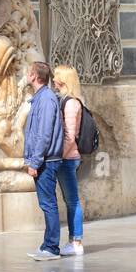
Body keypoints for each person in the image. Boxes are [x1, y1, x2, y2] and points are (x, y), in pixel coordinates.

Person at [24, 60, 64, 262]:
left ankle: (52, 247)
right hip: (43, 159)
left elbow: (44, 134)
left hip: (46, 160)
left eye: (28, 72)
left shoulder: (46, 98)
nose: (26, 74)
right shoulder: (40, 98)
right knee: (46, 203)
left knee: (48, 204)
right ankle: (47, 244)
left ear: (34, 76)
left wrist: (35, 161)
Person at [53, 64, 85, 257]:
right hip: (66, 158)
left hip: (68, 158)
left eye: (56, 76)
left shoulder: (71, 103)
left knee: (72, 200)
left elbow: (70, 136)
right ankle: (74, 240)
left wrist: (58, 156)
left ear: (63, 79)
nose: (53, 79)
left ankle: (77, 241)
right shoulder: (65, 100)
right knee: (69, 199)